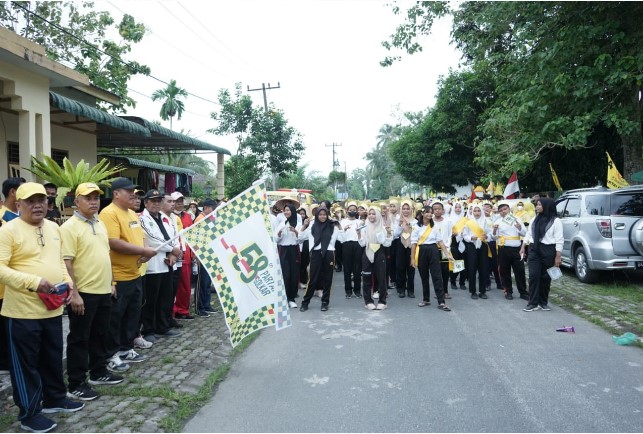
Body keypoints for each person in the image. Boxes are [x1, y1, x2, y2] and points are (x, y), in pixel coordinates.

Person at [0, 182, 84, 433]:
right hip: (21, 312)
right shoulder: (8, 230)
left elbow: (59, 261)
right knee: (26, 364)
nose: (38, 205)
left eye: (42, 201)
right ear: (18, 204)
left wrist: (68, 284)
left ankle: (55, 398)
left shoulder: (53, 227)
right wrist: (34, 282)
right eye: (30, 201)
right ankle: (29, 413)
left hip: (52, 308)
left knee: (52, 356)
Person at [61, 183, 124, 402]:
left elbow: (105, 255)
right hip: (83, 292)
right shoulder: (69, 227)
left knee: (100, 334)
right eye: (88, 198)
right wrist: (74, 293)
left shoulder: (99, 223)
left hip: (103, 289)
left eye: (96, 197)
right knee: (79, 339)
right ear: (76, 201)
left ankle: (98, 371)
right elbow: (67, 263)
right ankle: (77, 383)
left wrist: (112, 281)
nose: (93, 201)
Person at [99, 178, 157, 373]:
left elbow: (140, 238)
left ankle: (126, 348)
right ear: (116, 193)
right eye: (128, 191)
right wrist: (141, 251)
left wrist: (144, 250)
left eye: (134, 190)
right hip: (118, 275)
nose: (133, 194)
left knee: (132, 314)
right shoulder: (108, 213)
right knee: (115, 317)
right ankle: (112, 353)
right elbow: (113, 242)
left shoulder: (131, 213)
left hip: (134, 272)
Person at [139, 190, 182, 342]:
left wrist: (174, 253)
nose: (156, 203)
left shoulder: (166, 218)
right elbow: (152, 239)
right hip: (153, 264)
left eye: (158, 200)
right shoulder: (142, 219)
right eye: (153, 200)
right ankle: (149, 329)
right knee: (151, 299)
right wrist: (172, 249)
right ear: (146, 203)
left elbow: (176, 236)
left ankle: (163, 326)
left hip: (168, 262)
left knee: (165, 297)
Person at [521, 198, 563, 312]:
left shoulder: (556, 221)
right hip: (534, 249)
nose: (537, 207)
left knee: (545, 277)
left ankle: (543, 302)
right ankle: (532, 303)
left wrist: (558, 256)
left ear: (547, 206)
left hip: (549, 250)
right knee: (534, 276)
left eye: (539, 205)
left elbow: (559, 240)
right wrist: (523, 246)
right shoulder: (535, 219)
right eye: (537, 205)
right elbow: (529, 233)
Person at [410, 206, 451, 311]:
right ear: (423, 214)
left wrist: (447, 253)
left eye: (431, 213)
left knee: (437, 276)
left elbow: (440, 241)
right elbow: (414, 243)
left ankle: (441, 301)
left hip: (433, 250)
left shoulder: (434, 226)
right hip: (421, 250)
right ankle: (426, 299)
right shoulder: (416, 226)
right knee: (424, 276)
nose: (429, 214)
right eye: (427, 212)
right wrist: (412, 258)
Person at [299, 208, 339, 312]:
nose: (322, 217)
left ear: (328, 216)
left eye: (325, 215)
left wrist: (335, 223)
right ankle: (305, 302)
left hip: (329, 252)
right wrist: (304, 226)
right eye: (320, 214)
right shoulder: (312, 226)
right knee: (312, 279)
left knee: (328, 279)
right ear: (317, 215)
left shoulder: (332, 227)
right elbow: (300, 237)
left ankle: (325, 302)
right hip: (315, 253)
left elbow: (333, 242)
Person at [493, 201, 529, 301]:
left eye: (505, 209)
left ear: (509, 209)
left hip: (516, 248)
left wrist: (519, 228)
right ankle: (508, 291)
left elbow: (524, 233)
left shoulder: (517, 219)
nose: (503, 212)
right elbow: (494, 237)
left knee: (520, 270)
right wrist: (494, 230)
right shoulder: (498, 221)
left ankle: (523, 291)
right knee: (505, 271)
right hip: (503, 248)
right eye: (500, 211)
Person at [358, 205, 393, 310]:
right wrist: (359, 234)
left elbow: (386, 244)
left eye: (374, 214)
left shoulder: (383, 227)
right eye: (369, 214)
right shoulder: (364, 227)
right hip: (367, 253)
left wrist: (387, 233)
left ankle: (383, 301)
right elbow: (362, 244)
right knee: (366, 278)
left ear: (377, 215)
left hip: (379, 252)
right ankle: (368, 301)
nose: (371, 216)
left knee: (381, 278)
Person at [171, 192, 195, 321]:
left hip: (186, 255)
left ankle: (183, 310)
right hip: (173, 254)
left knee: (185, 285)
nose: (179, 203)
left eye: (181, 200)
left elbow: (192, 235)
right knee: (173, 286)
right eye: (176, 201)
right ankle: (173, 311)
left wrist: (193, 253)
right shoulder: (169, 216)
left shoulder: (187, 216)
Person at [462, 204, 493, 300]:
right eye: (475, 211)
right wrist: (471, 238)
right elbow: (465, 235)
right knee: (472, 269)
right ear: (472, 212)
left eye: (478, 211)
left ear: (481, 211)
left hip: (483, 246)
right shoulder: (469, 222)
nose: (477, 213)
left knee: (483, 269)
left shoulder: (485, 221)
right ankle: (473, 291)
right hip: (472, 246)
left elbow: (490, 234)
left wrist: (487, 236)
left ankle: (482, 291)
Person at [193, 199, 218, 317]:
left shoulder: (209, 218)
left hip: (209, 254)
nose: (214, 212)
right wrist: (197, 255)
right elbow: (196, 239)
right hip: (201, 255)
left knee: (207, 282)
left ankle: (206, 305)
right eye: (213, 209)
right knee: (201, 283)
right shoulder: (199, 219)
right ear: (206, 208)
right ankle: (200, 307)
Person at [276, 204, 302, 308]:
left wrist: (295, 231)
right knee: (285, 275)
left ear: (292, 211)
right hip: (283, 250)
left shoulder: (298, 224)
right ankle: (285, 298)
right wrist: (279, 233)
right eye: (285, 210)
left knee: (294, 274)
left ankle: (292, 298)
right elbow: (276, 239)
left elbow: (301, 239)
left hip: (294, 249)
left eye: (288, 210)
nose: (286, 212)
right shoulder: (282, 223)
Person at [338, 202, 362, 298]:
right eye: (350, 210)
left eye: (354, 210)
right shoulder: (342, 222)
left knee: (357, 269)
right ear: (347, 210)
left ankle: (357, 290)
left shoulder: (359, 222)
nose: (352, 211)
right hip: (346, 245)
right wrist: (343, 230)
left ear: (356, 211)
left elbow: (362, 236)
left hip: (357, 245)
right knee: (347, 269)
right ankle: (348, 291)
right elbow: (339, 238)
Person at [394, 200, 417, 298]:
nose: (406, 211)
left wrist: (410, 225)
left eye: (408, 209)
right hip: (401, 245)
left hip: (412, 245)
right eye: (403, 208)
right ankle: (401, 289)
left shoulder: (415, 221)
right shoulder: (398, 220)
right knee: (400, 267)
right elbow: (395, 235)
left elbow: (417, 234)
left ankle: (410, 290)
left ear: (411, 209)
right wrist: (400, 225)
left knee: (411, 268)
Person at [431, 201, 453, 300]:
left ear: (443, 210)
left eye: (439, 209)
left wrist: (446, 246)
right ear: (432, 211)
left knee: (445, 271)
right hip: (433, 249)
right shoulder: (430, 222)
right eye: (435, 209)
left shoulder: (447, 221)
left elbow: (449, 235)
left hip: (445, 249)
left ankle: (445, 291)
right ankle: (438, 291)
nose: (437, 211)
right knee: (436, 271)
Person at [483, 202, 502, 291]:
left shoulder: (495, 218)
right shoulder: (479, 219)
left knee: (495, 264)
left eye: (488, 207)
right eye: (485, 207)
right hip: (484, 243)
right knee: (485, 264)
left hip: (493, 243)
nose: (486, 209)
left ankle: (499, 283)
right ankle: (487, 283)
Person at [448, 202, 467, 290]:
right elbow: (447, 232)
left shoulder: (465, 219)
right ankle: (453, 281)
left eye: (459, 207)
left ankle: (462, 282)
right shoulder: (449, 219)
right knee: (456, 261)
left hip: (464, 242)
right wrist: (452, 234)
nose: (458, 209)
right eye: (456, 207)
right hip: (454, 243)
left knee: (464, 263)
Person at [387, 199, 399, 290]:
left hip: (399, 241)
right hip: (389, 240)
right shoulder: (387, 217)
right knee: (390, 260)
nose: (392, 208)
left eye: (394, 206)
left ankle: (399, 279)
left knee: (398, 260)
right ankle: (392, 279)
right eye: (390, 206)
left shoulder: (400, 216)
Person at [298, 208, 310, 289]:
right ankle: (301, 281)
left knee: (306, 264)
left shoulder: (309, 223)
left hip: (306, 245)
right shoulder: (298, 223)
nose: (302, 215)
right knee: (301, 265)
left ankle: (305, 280)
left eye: (303, 214)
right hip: (299, 246)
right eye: (300, 214)